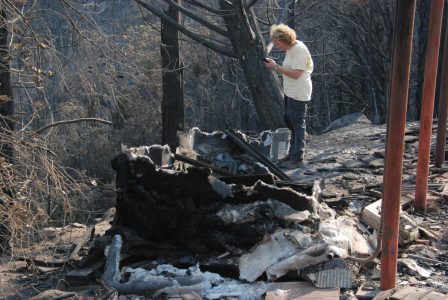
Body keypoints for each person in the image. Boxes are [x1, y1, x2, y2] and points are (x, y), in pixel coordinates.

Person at [264, 24, 313, 168]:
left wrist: (276, 67)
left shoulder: (298, 49)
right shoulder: (291, 49)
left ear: (285, 39)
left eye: (278, 43)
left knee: (297, 124)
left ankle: (298, 156)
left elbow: (296, 74)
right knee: (290, 121)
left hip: (299, 91)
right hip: (290, 92)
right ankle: (292, 153)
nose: (277, 46)